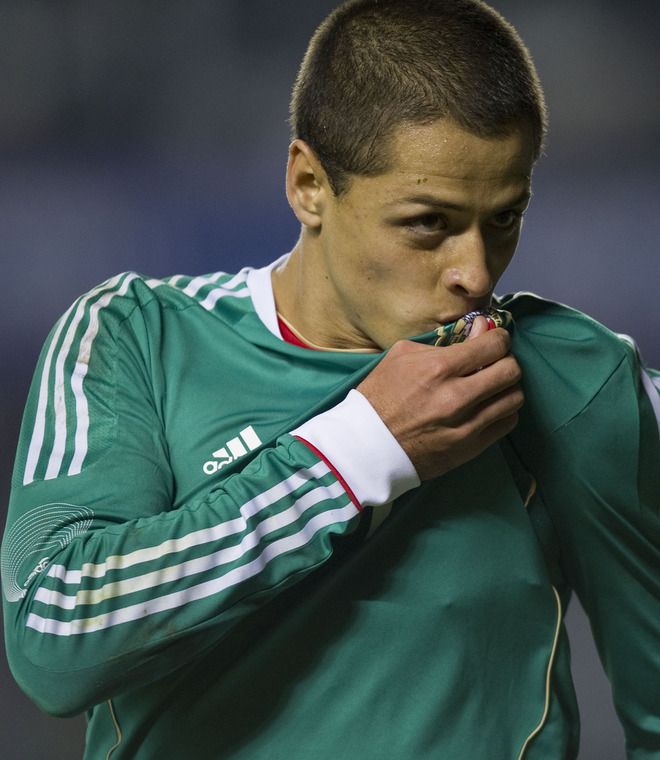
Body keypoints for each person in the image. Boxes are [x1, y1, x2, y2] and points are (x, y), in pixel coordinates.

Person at [2, 0, 659, 757]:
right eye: (428, 224)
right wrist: (357, 452)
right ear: (309, 184)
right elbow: (53, 633)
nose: (474, 271)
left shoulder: (571, 381)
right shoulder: (134, 338)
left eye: (504, 218)